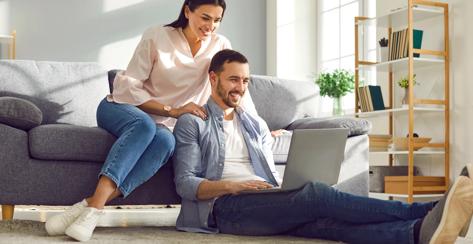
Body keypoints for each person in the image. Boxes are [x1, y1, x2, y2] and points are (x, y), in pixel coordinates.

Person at [172, 49, 473, 244]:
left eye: (246, 81)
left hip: (264, 196)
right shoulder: (193, 122)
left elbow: (268, 154)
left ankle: (417, 233)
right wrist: (235, 187)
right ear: (213, 78)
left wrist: (291, 149)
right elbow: (186, 185)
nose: (240, 87)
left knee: (325, 225)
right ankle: (429, 209)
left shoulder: (254, 123)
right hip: (223, 209)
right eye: (233, 79)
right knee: (315, 194)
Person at [45, 0, 258, 242]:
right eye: (205, 17)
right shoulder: (157, 36)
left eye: (217, 20)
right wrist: (172, 110)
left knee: (167, 143)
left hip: (164, 125)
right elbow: (129, 88)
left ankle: (88, 205)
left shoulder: (220, 45)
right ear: (187, 11)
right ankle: (94, 212)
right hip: (121, 107)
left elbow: (237, 84)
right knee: (144, 125)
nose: (211, 26)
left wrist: (257, 125)